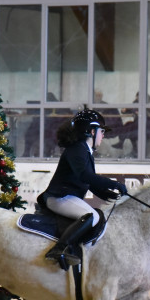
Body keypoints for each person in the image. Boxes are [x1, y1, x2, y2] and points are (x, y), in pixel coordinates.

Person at [38, 109, 128, 266]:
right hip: (59, 197)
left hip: (68, 197)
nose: (103, 135)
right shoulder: (77, 149)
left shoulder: (85, 151)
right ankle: (59, 249)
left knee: (96, 216)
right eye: (101, 131)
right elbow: (85, 176)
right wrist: (114, 184)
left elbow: (88, 182)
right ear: (91, 132)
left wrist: (106, 193)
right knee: (91, 216)